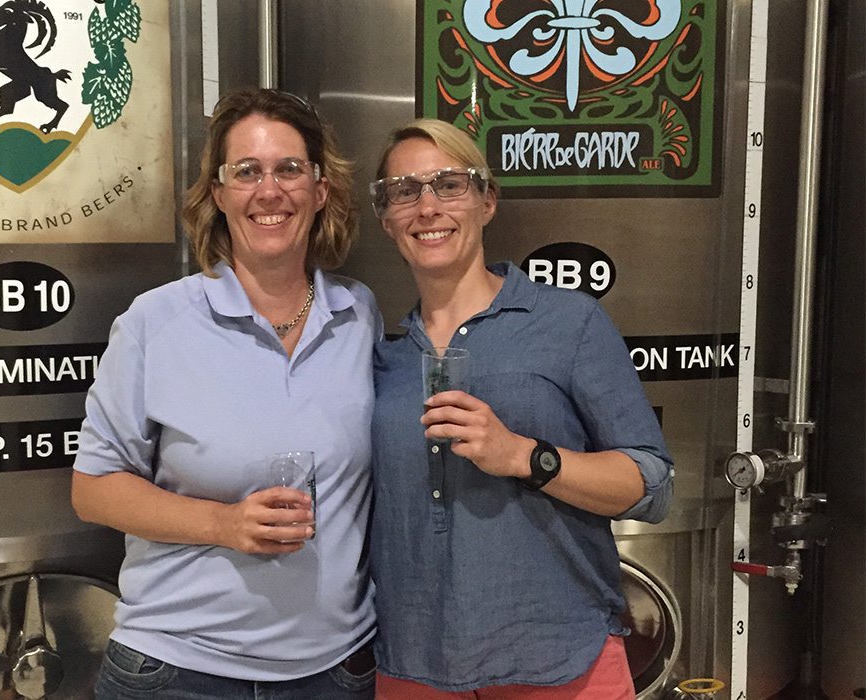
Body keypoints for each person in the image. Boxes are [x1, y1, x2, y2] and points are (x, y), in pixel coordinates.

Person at [71, 88, 380, 699]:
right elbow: (93, 490)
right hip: (178, 672)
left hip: (337, 673)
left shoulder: (359, 314)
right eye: (247, 172)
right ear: (218, 194)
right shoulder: (155, 322)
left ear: (321, 190)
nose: (270, 191)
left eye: (290, 169)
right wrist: (225, 523)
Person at [367, 119, 673, 699]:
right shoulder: (383, 356)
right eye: (406, 191)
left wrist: (526, 456)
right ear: (387, 220)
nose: (427, 206)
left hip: (559, 660)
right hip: (412, 663)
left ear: (487, 200)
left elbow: (653, 485)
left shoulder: (569, 323)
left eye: (449, 184)